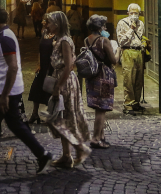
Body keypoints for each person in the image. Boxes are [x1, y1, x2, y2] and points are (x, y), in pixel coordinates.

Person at [0, 6, 52, 178]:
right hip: (2, 89)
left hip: (3, 91)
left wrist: (5, 95)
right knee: (15, 125)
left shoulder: (4, 38)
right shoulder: (0, 36)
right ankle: (42, 155)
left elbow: (13, 67)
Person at [44, 11, 91, 168]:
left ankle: (78, 150)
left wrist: (59, 86)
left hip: (65, 82)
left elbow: (69, 65)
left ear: (57, 24)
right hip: (62, 80)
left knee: (65, 118)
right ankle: (67, 155)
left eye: (49, 22)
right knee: (61, 118)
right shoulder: (58, 39)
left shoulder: (64, 40)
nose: (47, 25)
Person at [83, 15, 117, 148]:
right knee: (101, 109)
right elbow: (114, 60)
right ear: (99, 27)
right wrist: (118, 49)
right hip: (103, 76)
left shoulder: (87, 40)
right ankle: (96, 138)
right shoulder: (104, 40)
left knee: (98, 107)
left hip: (92, 76)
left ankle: (101, 136)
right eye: (104, 25)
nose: (105, 28)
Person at [116, 3, 145, 115]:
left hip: (139, 52)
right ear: (128, 13)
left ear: (139, 13)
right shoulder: (122, 23)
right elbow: (121, 41)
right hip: (127, 51)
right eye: (132, 13)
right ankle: (128, 104)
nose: (134, 15)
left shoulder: (141, 24)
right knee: (129, 79)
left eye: (136, 13)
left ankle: (136, 102)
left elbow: (142, 37)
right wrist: (131, 29)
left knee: (138, 79)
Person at [27, 12, 55, 124]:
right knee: (36, 89)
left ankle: (51, 114)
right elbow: (40, 50)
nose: (43, 22)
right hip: (43, 66)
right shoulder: (44, 33)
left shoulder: (57, 36)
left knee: (50, 91)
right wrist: (38, 64)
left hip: (52, 67)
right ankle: (35, 114)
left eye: (46, 21)